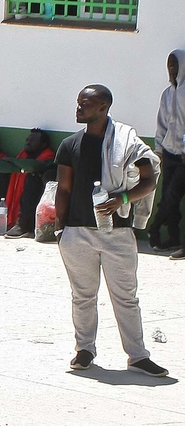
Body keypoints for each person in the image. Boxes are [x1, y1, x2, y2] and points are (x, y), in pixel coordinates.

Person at [56, 85, 165, 376]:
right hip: (77, 232)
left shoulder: (126, 142)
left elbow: (149, 180)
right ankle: (84, 350)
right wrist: (60, 230)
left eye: (86, 104)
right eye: (78, 102)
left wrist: (123, 199)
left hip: (117, 233)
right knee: (83, 296)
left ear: (103, 107)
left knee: (126, 297)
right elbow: (64, 189)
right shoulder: (69, 145)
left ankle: (138, 356)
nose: (79, 108)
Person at [152, 49, 185, 256]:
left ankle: (153, 228)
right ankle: (173, 237)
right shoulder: (167, 93)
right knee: (167, 196)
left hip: (183, 155)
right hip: (170, 153)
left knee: (172, 196)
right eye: (169, 65)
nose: (171, 69)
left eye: (175, 64)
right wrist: (159, 150)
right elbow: (162, 123)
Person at [0, 129, 58, 239]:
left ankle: (23, 225)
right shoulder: (22, 156)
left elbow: (34, 166)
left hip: (37, 196)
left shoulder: (49, 156)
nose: (28, 142)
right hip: (21, 197)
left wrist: (13, 162)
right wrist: (21, 168)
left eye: (33, 140)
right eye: (27, 140)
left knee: (32, 177)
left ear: (43, 144)